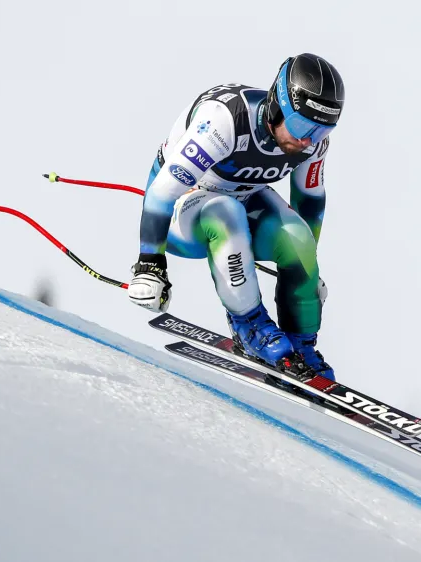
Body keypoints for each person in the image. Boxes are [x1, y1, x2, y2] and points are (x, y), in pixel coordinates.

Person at [127, 53, 344, 380]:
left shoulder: (314, 144)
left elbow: (310, 200)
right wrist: (150, 264)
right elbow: (161, 192)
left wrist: (306, 273)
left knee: (298, 236)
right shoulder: (226, 122)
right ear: (278, 105)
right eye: (301, 125)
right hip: (179, 213)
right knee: (225, 211)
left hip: (242, 200)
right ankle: (249, 326)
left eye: (320, 130)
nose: (306, 140)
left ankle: (301, 344)